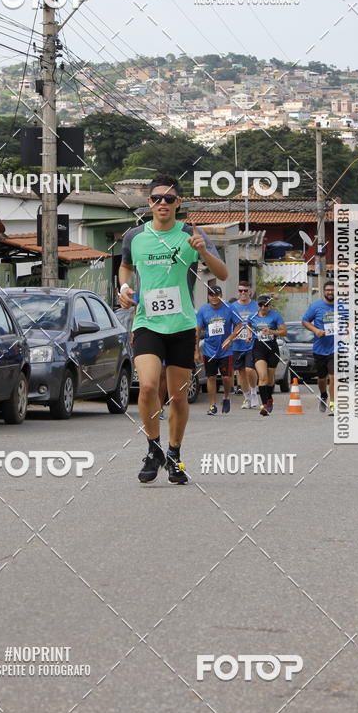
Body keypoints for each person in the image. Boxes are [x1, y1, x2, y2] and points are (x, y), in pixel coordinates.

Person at [119, 175, 227, 484]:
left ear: (178, 203)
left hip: (181, 325)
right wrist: (125, 287)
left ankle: (175, 454)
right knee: (150, 386)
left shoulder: (192, 234)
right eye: (156, 198)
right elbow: (125, 266)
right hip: (147, 324)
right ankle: (153, 449)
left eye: (169, 198)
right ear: (149, 202)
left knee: (178, 398)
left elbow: (222, 271)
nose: (162, 203)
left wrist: (203, 251)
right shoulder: (135, 237)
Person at [195, 286, 234, 415]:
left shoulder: (228, 308)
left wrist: (230, 339)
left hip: (225, 350)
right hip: (209, 350)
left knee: (226, 377)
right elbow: (197, 330)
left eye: (217, 295)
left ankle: (226, 397)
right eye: (211, 295)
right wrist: (196, 350)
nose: (214, 297)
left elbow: (240, 325)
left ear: (221, 296)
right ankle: (212, 405)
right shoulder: (203, 310)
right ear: (208, 297)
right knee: (210, 377)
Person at [247, 295, 287, 416]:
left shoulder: (275, 316)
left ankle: (269, 399)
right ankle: (264, 405)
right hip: (259, 348)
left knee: (270, 379)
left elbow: (284, 332)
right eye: (261, 305)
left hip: (272, 348)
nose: (263, 307)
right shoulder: (253, 316)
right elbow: (248, 325)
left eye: (266, 305)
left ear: (269, 305)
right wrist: (249, 335)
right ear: (258, 305)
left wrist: (272, 331)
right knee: (262, 376)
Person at [302, 280, 336, 415]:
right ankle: (323, 395)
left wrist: (347, 330)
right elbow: (304, 321)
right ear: (324, 291)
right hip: (320, 348)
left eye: (332, 290)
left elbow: (350, 321)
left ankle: (333, 404)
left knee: (334, 376)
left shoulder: (342, 307)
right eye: (328, 290)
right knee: (322, 378)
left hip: (336, 348)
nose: (330, 292)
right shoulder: (315, 306)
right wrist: (316, 330)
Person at [229, 281, 259, 409]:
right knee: (241, 372)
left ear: (250, 292)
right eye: (240, 291)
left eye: (245, 291)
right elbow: (228, 323)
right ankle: (246, 398)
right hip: (237, 344)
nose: (242, 293)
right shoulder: (232, 306)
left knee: (249, 369)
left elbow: (262, 320)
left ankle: (253, 393)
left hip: (252, 343)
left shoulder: (256, 306)